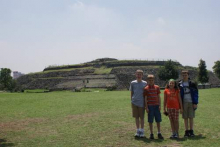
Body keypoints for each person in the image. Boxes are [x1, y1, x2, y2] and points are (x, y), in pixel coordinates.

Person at [178, 70, 199, 137]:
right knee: (185, 117)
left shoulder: (192, 83)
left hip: (191, 101)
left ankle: (191, 130)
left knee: (191, 117)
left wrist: (195, 102)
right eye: (183, 75)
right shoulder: (180, 84)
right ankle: (186, 131)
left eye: (186, 75)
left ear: (188, 75)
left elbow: (196, 93)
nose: (184, 76)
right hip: (184, 102)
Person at [144, 75, 164, 139]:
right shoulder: (146, 88)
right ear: (147, 81)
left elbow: (159, 97)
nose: (151, 81)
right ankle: (151, 133)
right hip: (150, 106)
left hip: (156, 105)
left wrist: (160, 105)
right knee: (150, 120)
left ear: (154, 80)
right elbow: (145, 98)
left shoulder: (157, 87)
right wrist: (146, 107)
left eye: (152, 80)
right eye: (149, 80)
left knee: (158, 120)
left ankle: (159, 133)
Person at [129, 70, 147, 138]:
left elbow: (146, 94)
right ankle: (138, 130)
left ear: (142, 75)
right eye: (137, 74)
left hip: (141, 102)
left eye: (140, 74)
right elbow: (131, 93)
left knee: (142, 117)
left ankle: (142, 131)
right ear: (135, 75)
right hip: (134, 102)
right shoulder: (132, 83)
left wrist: (146, 103)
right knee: (136, 117)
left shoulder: (145, 83)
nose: (138, 75)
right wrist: (131, 101)